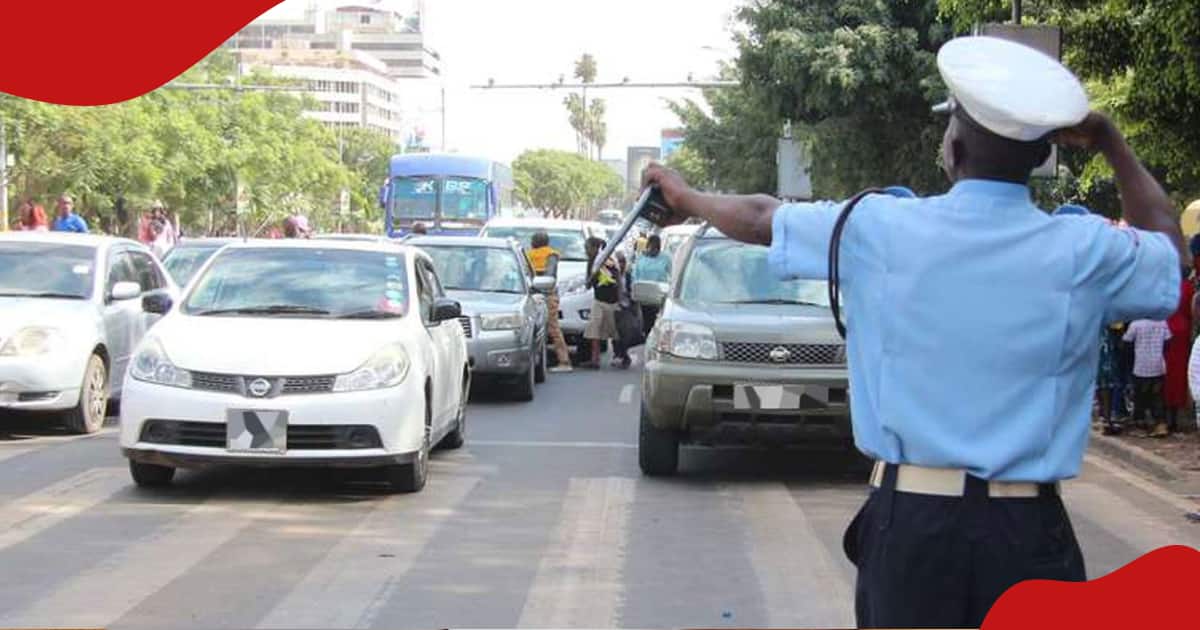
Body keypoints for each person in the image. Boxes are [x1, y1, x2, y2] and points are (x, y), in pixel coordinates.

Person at [640, 35, 1184, 629]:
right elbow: (1169, 252)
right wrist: (1108, 140)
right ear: (1040, 156)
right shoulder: (1085, 248)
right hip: (1028, 533)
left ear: (954, 147)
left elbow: (760, 218)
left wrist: (687, 197)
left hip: (913, 527)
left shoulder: (878, 227)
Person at [526, 231, 573, 372]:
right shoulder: (549, 255)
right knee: (545, 329)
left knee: (552, 328)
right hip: (542, 294)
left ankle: (564, 361)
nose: (531, 243)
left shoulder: (538, 255)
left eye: (533, 240)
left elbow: (548, 275)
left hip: (542, 295)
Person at [1123, 318, 1172, 436]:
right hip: (1158, 365)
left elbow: (1126, 342)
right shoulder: (1162, 322)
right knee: (1157, 396)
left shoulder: (1136, 324)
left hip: (1141, 366)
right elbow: (1168, 341)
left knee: (1140, 396)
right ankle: (1160, 424)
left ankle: (1140, 424)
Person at [583, 236, 620, 369]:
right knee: (594, 330)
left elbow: (617, 279)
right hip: (599, 300)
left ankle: (620, 355)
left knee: (615, 332)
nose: (586, 251)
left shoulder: (608, 261)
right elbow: (588, 283)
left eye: (588, 248)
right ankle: (595, 359)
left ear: (595, 248)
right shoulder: (592, 262)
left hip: (612, 300)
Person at [632, 234, 671, 334]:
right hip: (642, 297)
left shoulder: (665, 258)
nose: (653, 251)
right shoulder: (641, 258)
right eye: (651, 248)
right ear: (647, 246)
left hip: (658, 298)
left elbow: (672, 274)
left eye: (656, 249)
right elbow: (634, 275)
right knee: (644, 324)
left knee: (655, 323)